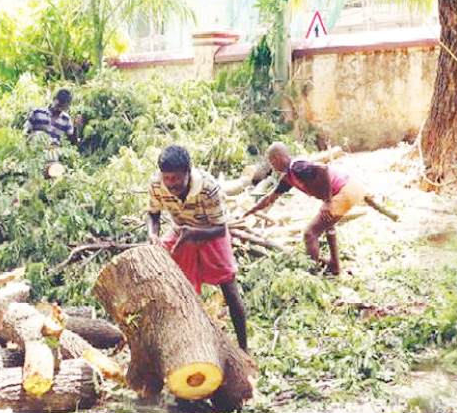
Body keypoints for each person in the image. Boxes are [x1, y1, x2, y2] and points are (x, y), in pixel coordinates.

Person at [147, 145, 248, 353]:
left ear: (188, 172)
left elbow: (220, 229)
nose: (171, 184)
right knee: (173, 285)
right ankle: (185, 343)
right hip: (181, 231)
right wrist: (153, 233)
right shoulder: (157, 184)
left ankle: (244, 349)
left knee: (228, 287)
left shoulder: (208, 187)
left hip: (209, 231)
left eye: (176, 179)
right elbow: (153, 213)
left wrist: (194, 233)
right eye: (167, 178)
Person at [242, 141, 369, 275]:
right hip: (352, 188)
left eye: (272, 163)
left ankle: (312, 274)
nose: (272, 167)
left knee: (310, 233)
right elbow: (270, 198)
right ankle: (335, 265)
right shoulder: (288, 177)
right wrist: (250, 211)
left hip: (345, 190)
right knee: (327, 224)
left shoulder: (297, 167)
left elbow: (323, 169)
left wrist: (327, 201)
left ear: (277, 158)